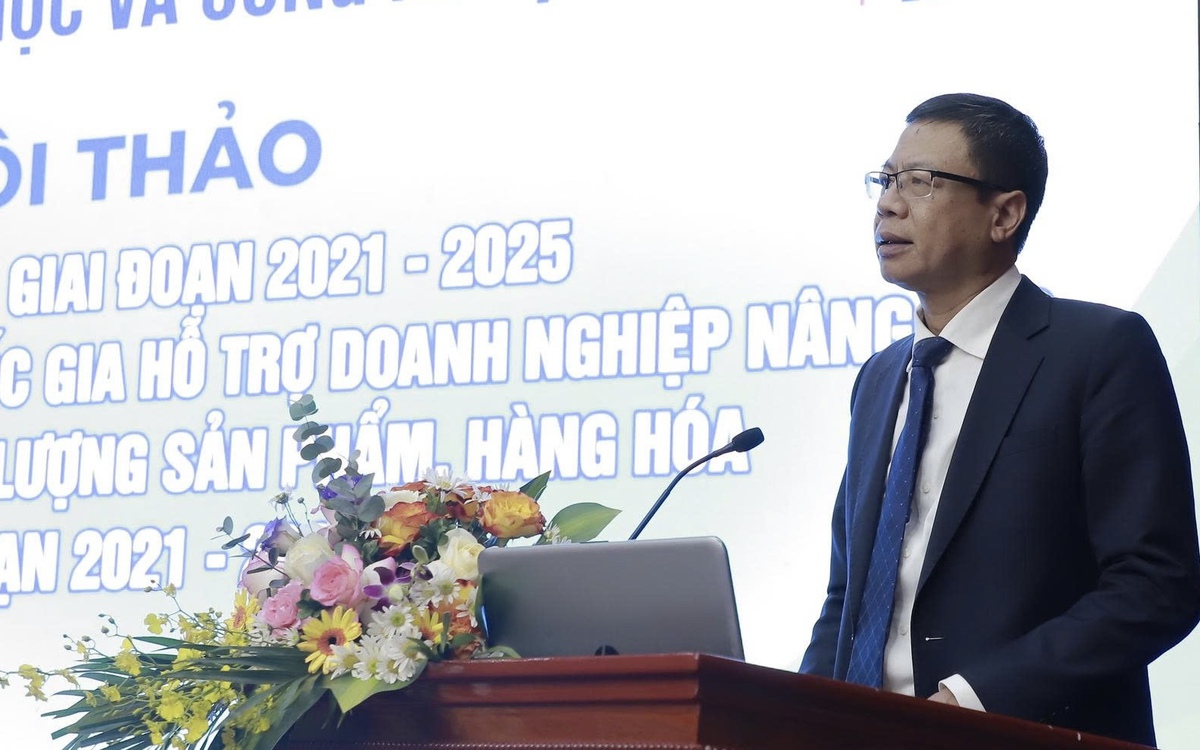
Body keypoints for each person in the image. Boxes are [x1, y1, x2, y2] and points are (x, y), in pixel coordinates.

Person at [799, 92, 1200, 746]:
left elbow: (1156, 586)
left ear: (1005, 213)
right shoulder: (879, 378)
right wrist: (795, 714)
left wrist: (973, 699)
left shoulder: (1098, 351)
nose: (889, 204)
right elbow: (850, 598)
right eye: (886, 179)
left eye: (921, 181)